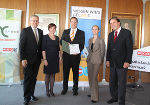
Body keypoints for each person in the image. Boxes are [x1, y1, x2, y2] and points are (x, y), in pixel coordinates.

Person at [106, 17, 133, 105]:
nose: (112, 24)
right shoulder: (110, 34)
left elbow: (129, 49)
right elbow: (109, 49)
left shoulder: (126, 33)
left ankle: (121, 101)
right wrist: (107, 60)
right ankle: (114, 97)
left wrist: (127, 61)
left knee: (121, 84)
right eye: (110, 23)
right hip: (112, 63)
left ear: (119, 23)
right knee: (112, 82)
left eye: (113, 22)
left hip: (122, 63)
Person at [19, 15, 43, 105]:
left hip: (36, 60)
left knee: (34, 78)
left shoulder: (40, 31)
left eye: (37, 21)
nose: (35, 22)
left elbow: (40, 47)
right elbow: (21, 46)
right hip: (27, 60)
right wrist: (23, 58)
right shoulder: (25, 31)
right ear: (30, 21)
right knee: (27, 79)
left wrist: (41, 58)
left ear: (38, 22)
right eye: (33, 21)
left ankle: (32, 94)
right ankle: (26, 97)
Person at [60, 17, 85, 96]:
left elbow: (82, 45)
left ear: (77, 23)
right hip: (66, 56)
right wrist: (66, 44)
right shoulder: (65, 31)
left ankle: (75, 89)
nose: (73, 23)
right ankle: (65, 88)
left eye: (75, 22)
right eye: (72, 22)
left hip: (76, 57)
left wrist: (77, 52)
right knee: (65, 73)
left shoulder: (81, 32)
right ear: (70, 23)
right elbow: (61, 41)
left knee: (75, 74)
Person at [86, 25, 105, 103]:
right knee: (90, 77)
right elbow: (90, 50)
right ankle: (92, 93)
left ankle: (95, 97)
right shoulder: (90, 39)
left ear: (98, 30)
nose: (94, 31)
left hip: (97, 61)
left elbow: (103, 52)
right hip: (90, 60)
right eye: (93, 29)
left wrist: (100, 61)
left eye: (96, 29)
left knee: (94, 78)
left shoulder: (101, 40)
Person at [42, 23, 61, 97]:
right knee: (47, 75)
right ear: (49, 29)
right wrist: (45, 59)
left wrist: (60, 58)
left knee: (53, 75)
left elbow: (58, 49)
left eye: (54, 28)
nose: (53, 29)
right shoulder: (45, 37)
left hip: (55, 59)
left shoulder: (57, 38)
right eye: (51, 28)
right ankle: (47, 90)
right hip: (48, 58)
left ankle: (52, 90)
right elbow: (43, 50)